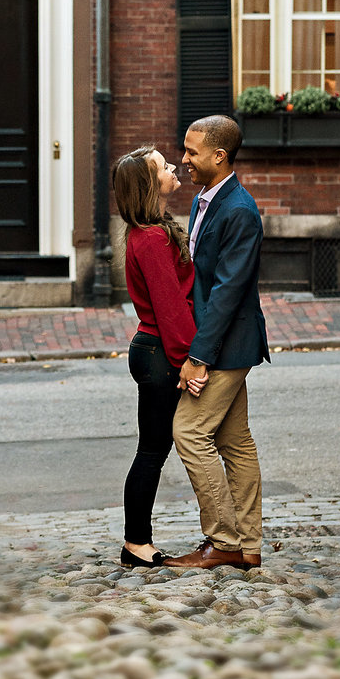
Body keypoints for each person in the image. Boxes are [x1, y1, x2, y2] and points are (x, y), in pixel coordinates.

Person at [165, 114, 269, 571]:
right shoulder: (204, 199)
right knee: (235, 440)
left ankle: (223, 540)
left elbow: (227, 292)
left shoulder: (240, 210)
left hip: (225, 343)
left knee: (188, 432)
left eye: (191, 151)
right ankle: (248, 546)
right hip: (222, 339)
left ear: (219, 156)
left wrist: (198, 357)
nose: (183, 158)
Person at [112, 145, 196, 568]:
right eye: (164, 166)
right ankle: (136, 543)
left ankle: (136, 540)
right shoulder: (151, 238)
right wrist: (189, 361)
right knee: (151, 451)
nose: (173, 167)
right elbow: (170, 308)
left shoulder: (151, 230)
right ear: (150, 184)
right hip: (161, 352)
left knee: (153, 448)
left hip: (155, 349)